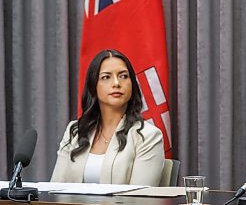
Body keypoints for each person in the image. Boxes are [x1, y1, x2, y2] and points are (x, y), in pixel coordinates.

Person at [51, 49, 164, 186]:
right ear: (94, 86)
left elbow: (140, 199)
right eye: (106, 77)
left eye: (123, 76)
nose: (116, 83)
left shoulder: (147, 136)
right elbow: (55, 189)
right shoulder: (75, 131)